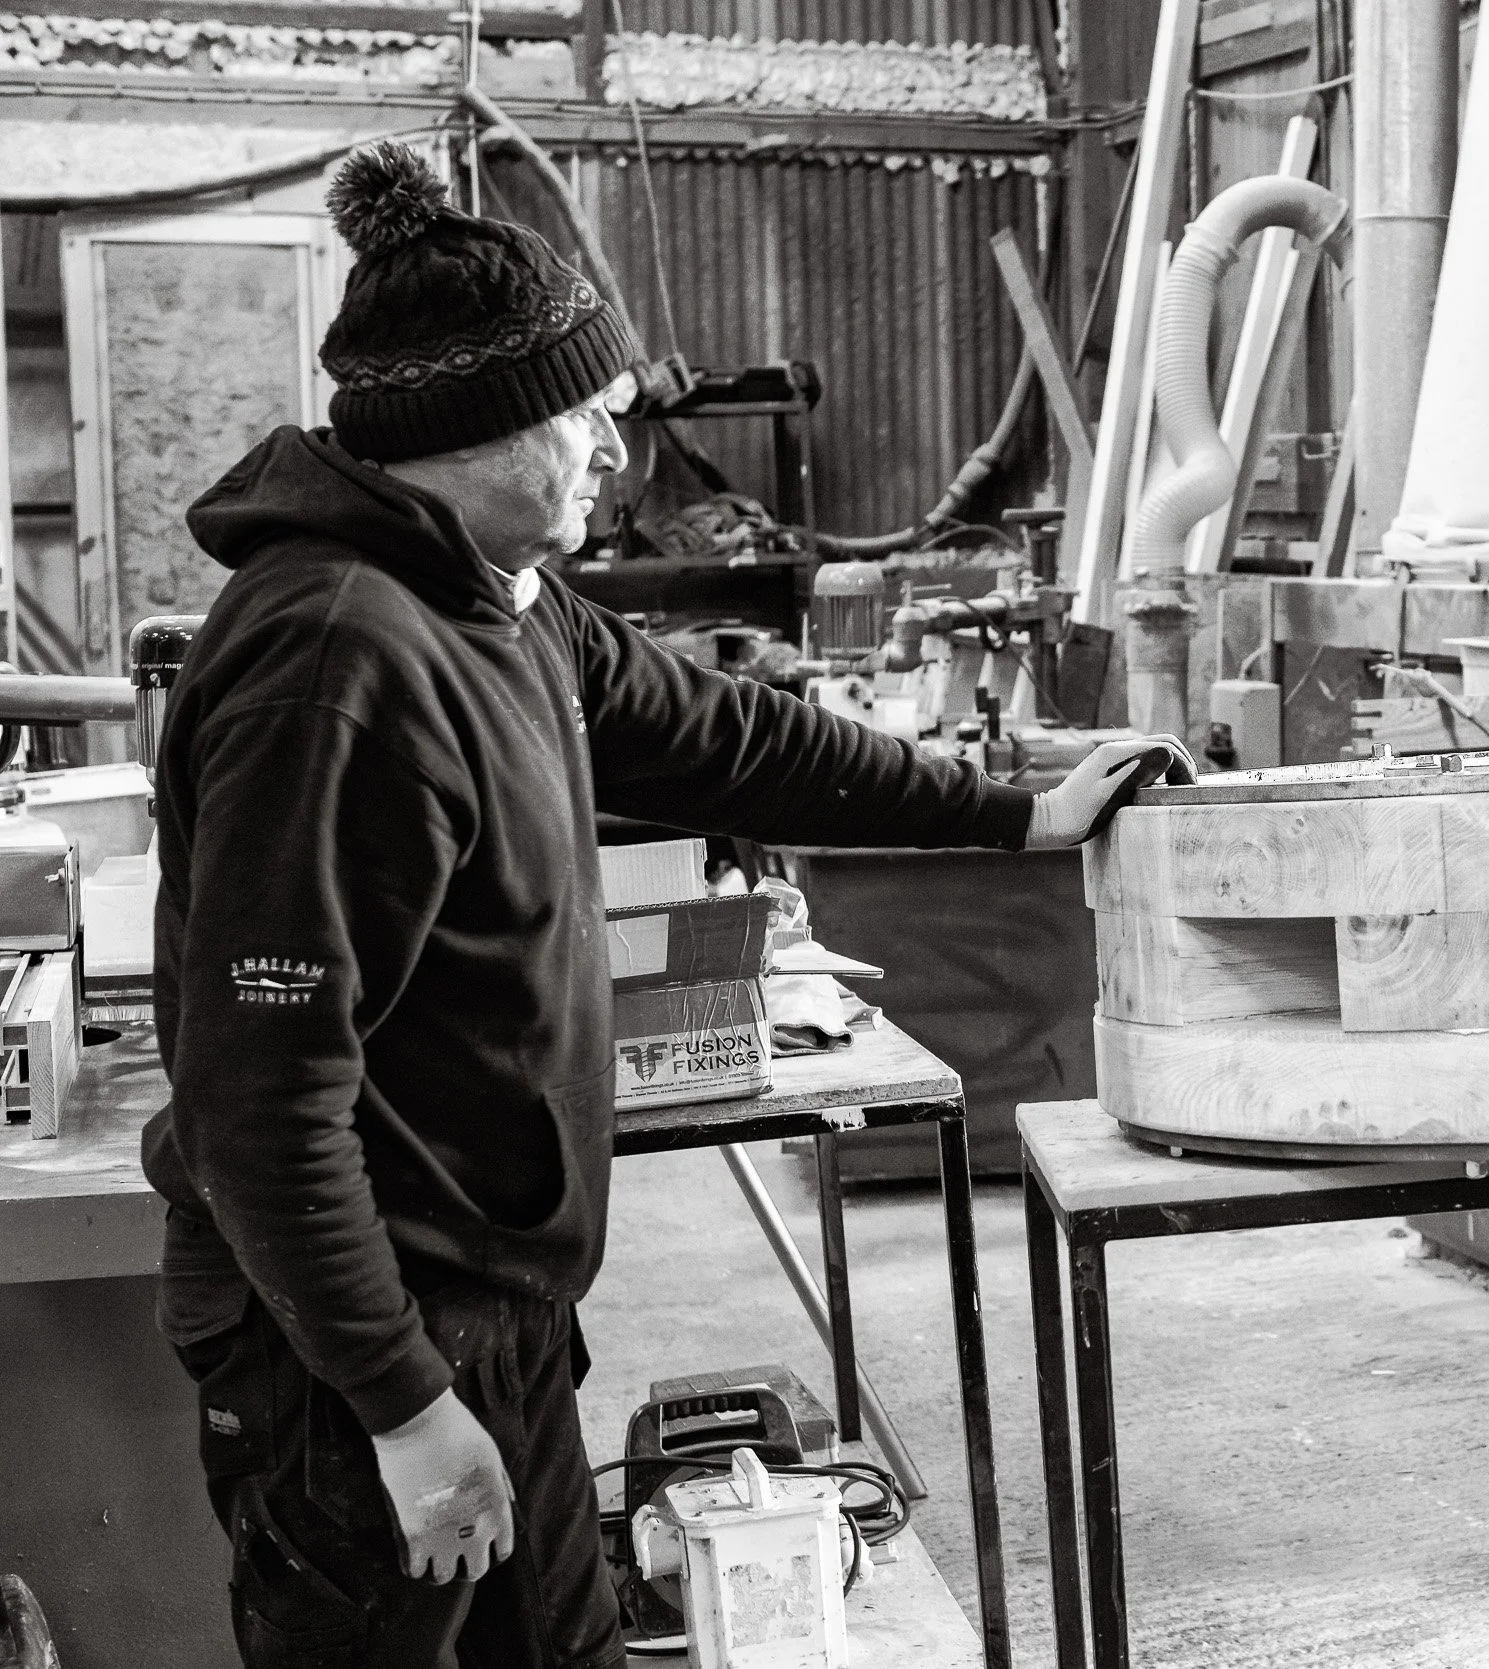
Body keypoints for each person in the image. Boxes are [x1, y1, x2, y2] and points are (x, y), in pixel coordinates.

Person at [140, 142, 1182, 1668]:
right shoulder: (339, 665)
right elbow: (259, 1100)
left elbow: (734, 741)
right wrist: (405, 1410)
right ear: (477, 425)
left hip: (487, 1308)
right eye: (589, 416)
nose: (615, 459)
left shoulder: (500, 599)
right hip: (353, 1349)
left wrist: (1016, 808)